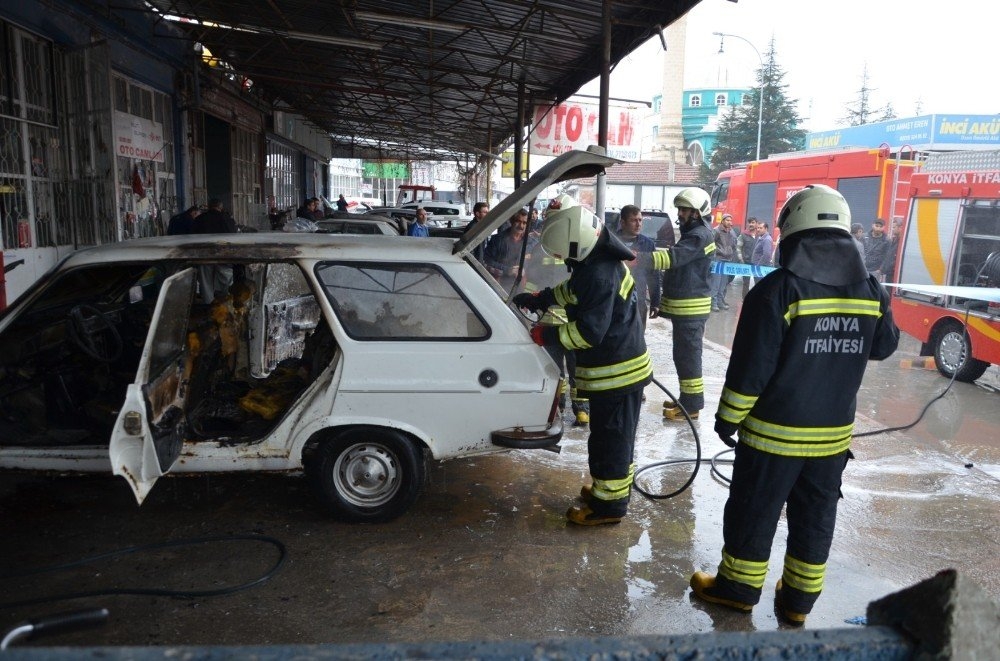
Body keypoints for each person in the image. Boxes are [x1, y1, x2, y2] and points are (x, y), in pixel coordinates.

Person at [691, 184, 899, 626]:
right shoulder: (871, 291)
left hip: (773, 436)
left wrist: (728, 418)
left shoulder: (777, 292)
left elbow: (751, 370)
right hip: (831, 440)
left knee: (754, 510)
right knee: (815, 517)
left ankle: (738, 590)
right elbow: (883, 347)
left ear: (792, 233)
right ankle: (798, 603)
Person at [512, 199, 652, 525]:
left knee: (612, 440)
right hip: (615, 374)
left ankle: (608, 507)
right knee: (609, 438)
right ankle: (608, 491)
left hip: (618, 375)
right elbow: (572, 291)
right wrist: (542, 298)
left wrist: (547, 335)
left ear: (576, 244)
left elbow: (589, 333)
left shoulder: (600, 274)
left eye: (564, 254)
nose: (561, 260)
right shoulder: (594, 263)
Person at [650, 188, 716, 421]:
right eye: (679, 209)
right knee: (683, 355)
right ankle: (686, 399)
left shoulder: (699, 235)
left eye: (685, 210)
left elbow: (673, 258)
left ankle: (691, 406)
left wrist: (639, 259)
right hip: (687, 308)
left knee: (688, 357)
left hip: (691, 308)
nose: (680, 213)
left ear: (698, 212)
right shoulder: (696, 232)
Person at [521, 212, 590, 428]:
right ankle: (557, 405)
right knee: (554, 369)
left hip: (571, 322)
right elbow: (532, 280)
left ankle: (581, 410)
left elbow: (581, 287)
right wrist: (531, 302)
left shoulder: (577, 251)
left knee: (578, 368)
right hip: (548, 320)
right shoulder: (538, 249)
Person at [614, 205, 661, 328]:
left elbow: (654, 275)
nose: (638, 224)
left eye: (640, 220)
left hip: (638, 303)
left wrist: (655, 302)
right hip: (614, 302)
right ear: (623, 222)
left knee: (637, 341)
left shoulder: (648, 245)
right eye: (633, 220)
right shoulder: (612, 241)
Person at [192, 198, 237, 303]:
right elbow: (234, 235)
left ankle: (209, 304)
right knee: (225, 279)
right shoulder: (227, 219)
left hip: (204, 255)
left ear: (208, 206)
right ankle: (227, 302)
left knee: (206, 281)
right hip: (224, 255)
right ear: (220, 207)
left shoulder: (200, 219)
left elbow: (192, 236)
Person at [483, 209, 529, 291]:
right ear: (511, 221)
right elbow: (487, 261)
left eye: (524, 223)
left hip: (521, 289)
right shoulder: (497, 239)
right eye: (518, 221)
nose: (521, 226)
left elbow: (535, 265)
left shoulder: (531, 242)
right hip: (499, 287)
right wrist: (507, 270)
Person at [711, 213, 738, 311]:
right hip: (718, 260)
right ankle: (713, 303)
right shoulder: (716, 231)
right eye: (727, 220)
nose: (730, 222)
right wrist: (719, 251)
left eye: (731, 220)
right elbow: (711, 244)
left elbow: (735, 244)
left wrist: (731, 252)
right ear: (722, 221)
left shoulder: (731, 232)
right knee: (716, 283)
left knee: (723, 283)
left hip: (727, 260)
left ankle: (720, 301)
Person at [736, 217, 758, 299]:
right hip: (746, 262)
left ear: (756, 223)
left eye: (753, 222)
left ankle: (757, 298)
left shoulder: (759, 235)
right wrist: (741, 259)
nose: (750, 224)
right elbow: (738, 248)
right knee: (746, 282)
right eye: (749, 223)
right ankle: (745, 299)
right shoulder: (743, 235)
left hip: (757, 263)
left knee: (758, 281)